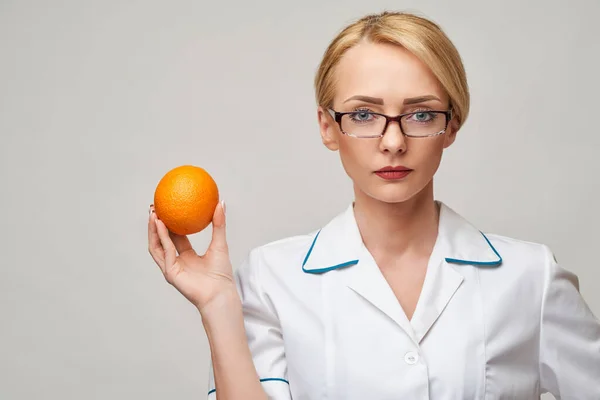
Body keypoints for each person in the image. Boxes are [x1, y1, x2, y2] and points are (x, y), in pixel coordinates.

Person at [147, 11, 600, 400]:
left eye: (421, 114)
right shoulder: (270, 279)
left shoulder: (531, 278)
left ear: (452, 125)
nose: (393, 142)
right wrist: (217, 306)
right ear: (328, 127)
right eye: (363, 114)